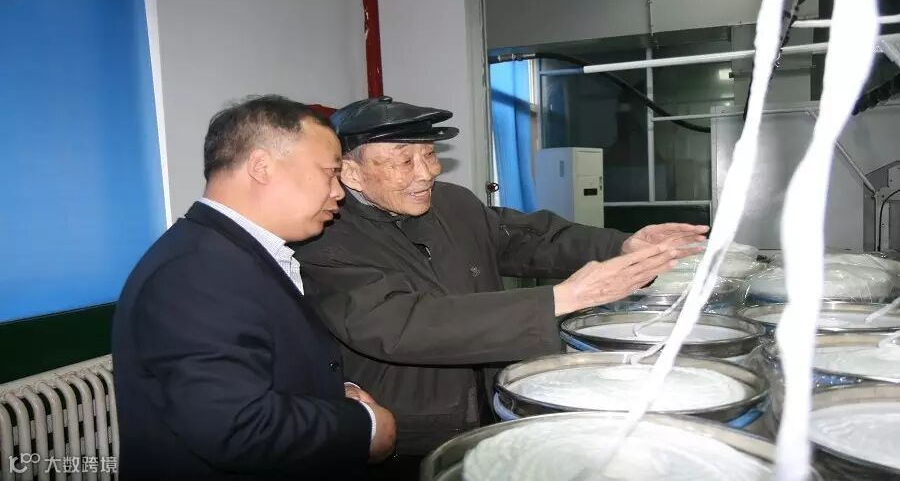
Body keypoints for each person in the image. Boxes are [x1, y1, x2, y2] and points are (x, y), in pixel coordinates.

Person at [292, 96, 707, 478]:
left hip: (493, 402)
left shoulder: (452, 203)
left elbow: (530, 237)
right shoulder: (325, 236)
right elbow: (402, 323)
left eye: (430, 154)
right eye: (404, 161)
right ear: (351, 173)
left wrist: (620, 244)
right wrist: (559, 299)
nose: (428, 172)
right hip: (410, 431)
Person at [112, 95, 395, 480]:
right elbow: (236, 426)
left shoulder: (233, 255)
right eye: (330, 172)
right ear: (261, 166)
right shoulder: (197, 272)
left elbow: (259, 369)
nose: (339, 192)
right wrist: (365, 427)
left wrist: (330, 392)